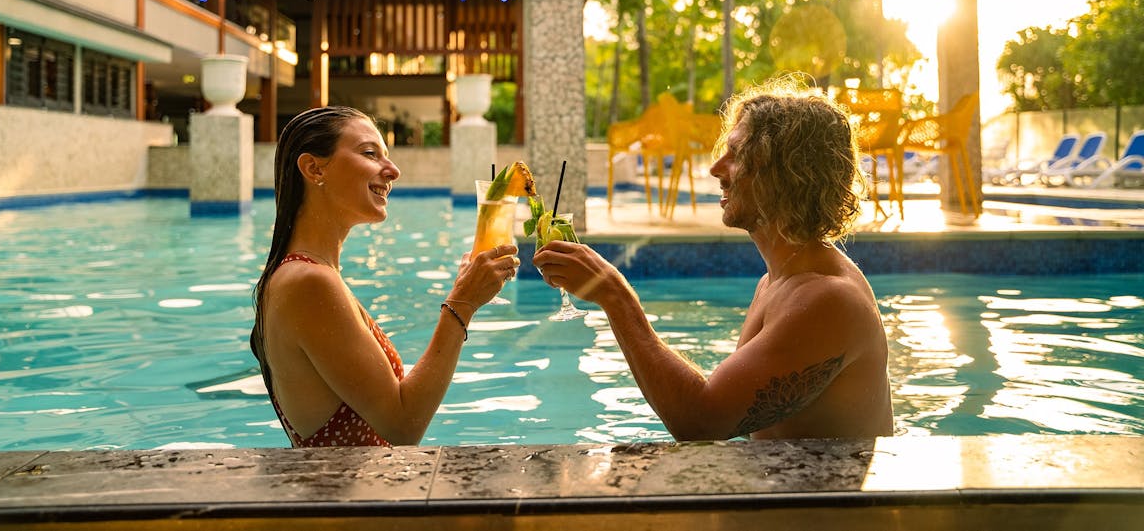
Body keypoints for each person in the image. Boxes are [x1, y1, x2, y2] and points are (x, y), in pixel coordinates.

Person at [534, 81, 894, 440]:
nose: (715, 168)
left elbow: (702, 424)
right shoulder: (778, 281)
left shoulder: (828, 299)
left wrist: (615, 296)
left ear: (784, 173)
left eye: (736, 154)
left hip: (826, 498)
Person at [250, 106, 518, 447]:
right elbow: (403, 426)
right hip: (350, 499)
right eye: (369, 153)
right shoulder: (307, 282)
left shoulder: (309, 274)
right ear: (314, 168)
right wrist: (462, 304)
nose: (392, 170)